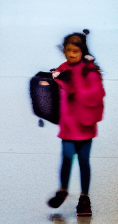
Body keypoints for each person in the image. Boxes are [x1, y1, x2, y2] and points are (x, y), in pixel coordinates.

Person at [45, 30, 104, 216]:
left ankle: (84, 197)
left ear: (82, 51)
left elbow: (97, 94)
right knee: (68, 156)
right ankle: (63, 190)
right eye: (68, 50)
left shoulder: (90, 71)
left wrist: (75, 90)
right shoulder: (62, 69)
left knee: (84, 161)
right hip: (69, 124)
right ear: (64, 50)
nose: (71, 54)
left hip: (85, 125)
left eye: (75, 51)